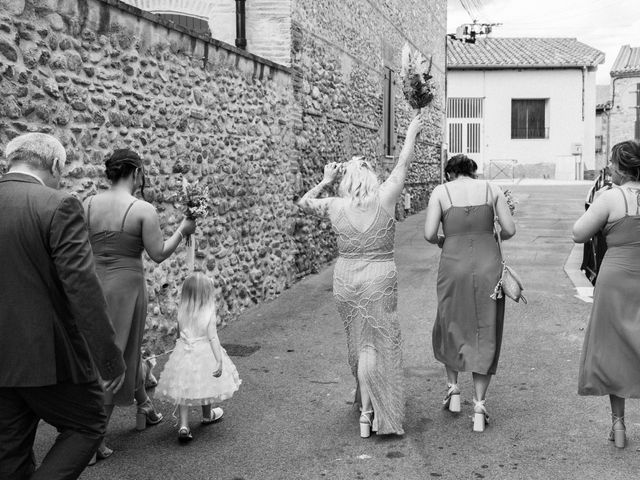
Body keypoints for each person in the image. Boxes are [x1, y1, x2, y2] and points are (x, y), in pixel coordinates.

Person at [0, 133, 126, 479]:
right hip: (47, 357)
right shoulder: (58, 205)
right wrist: (109, 360)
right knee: (88, 424)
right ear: (55, 165)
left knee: (9, 451)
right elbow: (83, 290)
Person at [297, 111, 422, 437]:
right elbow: (403, 163)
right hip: (380, 279)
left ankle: (365, 410)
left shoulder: (336, 205)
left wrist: (326, 180)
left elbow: (304, 202)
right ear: (370, 179)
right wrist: (411, 131)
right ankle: (371, 413)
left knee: (360, 343)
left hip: (347, 279)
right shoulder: (386, 197)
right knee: (378, 345)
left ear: (346, 182)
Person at [84, 148, 196, 460]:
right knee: (117, 354)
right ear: (136, 173)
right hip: (126, 288)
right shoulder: (142, 209)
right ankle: (92, 441)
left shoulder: (87, 202)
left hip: (92, 283)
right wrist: (183, 230)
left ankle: (143, 405)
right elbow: (158, 253)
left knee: (101, 353)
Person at [424, 154, 515, 432]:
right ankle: (478, 406)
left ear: (450, 174)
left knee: (450, 322)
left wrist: (444, 239)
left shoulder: (441, 191)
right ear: (473, 172)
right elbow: (509, 229)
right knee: (485, 329)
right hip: (489, 266)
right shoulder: (492, 190)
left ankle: (453, 390)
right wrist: (491, 234)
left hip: (453, 265)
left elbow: (429, 234)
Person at [573, 140, 640, 449]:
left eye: (611, 164)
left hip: (615, 278)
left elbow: (579, 233)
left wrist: (599, 201)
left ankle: (619, 425)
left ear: (620, 167)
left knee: (614, 348)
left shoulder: (610, 197)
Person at [156, 272, 241, 442]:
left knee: (183, 388)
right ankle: (207, 415)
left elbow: (179, 335)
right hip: (204, 353)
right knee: (206, 383)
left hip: (184, 352)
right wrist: (218, 360)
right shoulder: (208, 311)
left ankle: (184, 425)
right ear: (206, 294)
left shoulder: (182, 311)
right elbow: (212, 337)